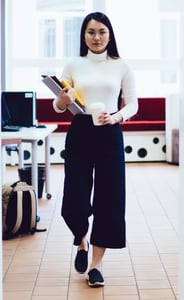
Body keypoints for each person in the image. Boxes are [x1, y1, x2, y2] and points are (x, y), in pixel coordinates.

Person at [52, 11, 138, 288]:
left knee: (109, 199)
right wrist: (63, 100)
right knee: (75, 197)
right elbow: (58, 105)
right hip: (80, 132)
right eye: (91, 32)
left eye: (101, 31)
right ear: (83, 35)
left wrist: (117, 117)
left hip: (109, 131)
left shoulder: (121, 65)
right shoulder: (74, 65)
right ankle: (81, 238)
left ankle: (96, 265)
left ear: (109, 34)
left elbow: (133, 104)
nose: (97, 37)